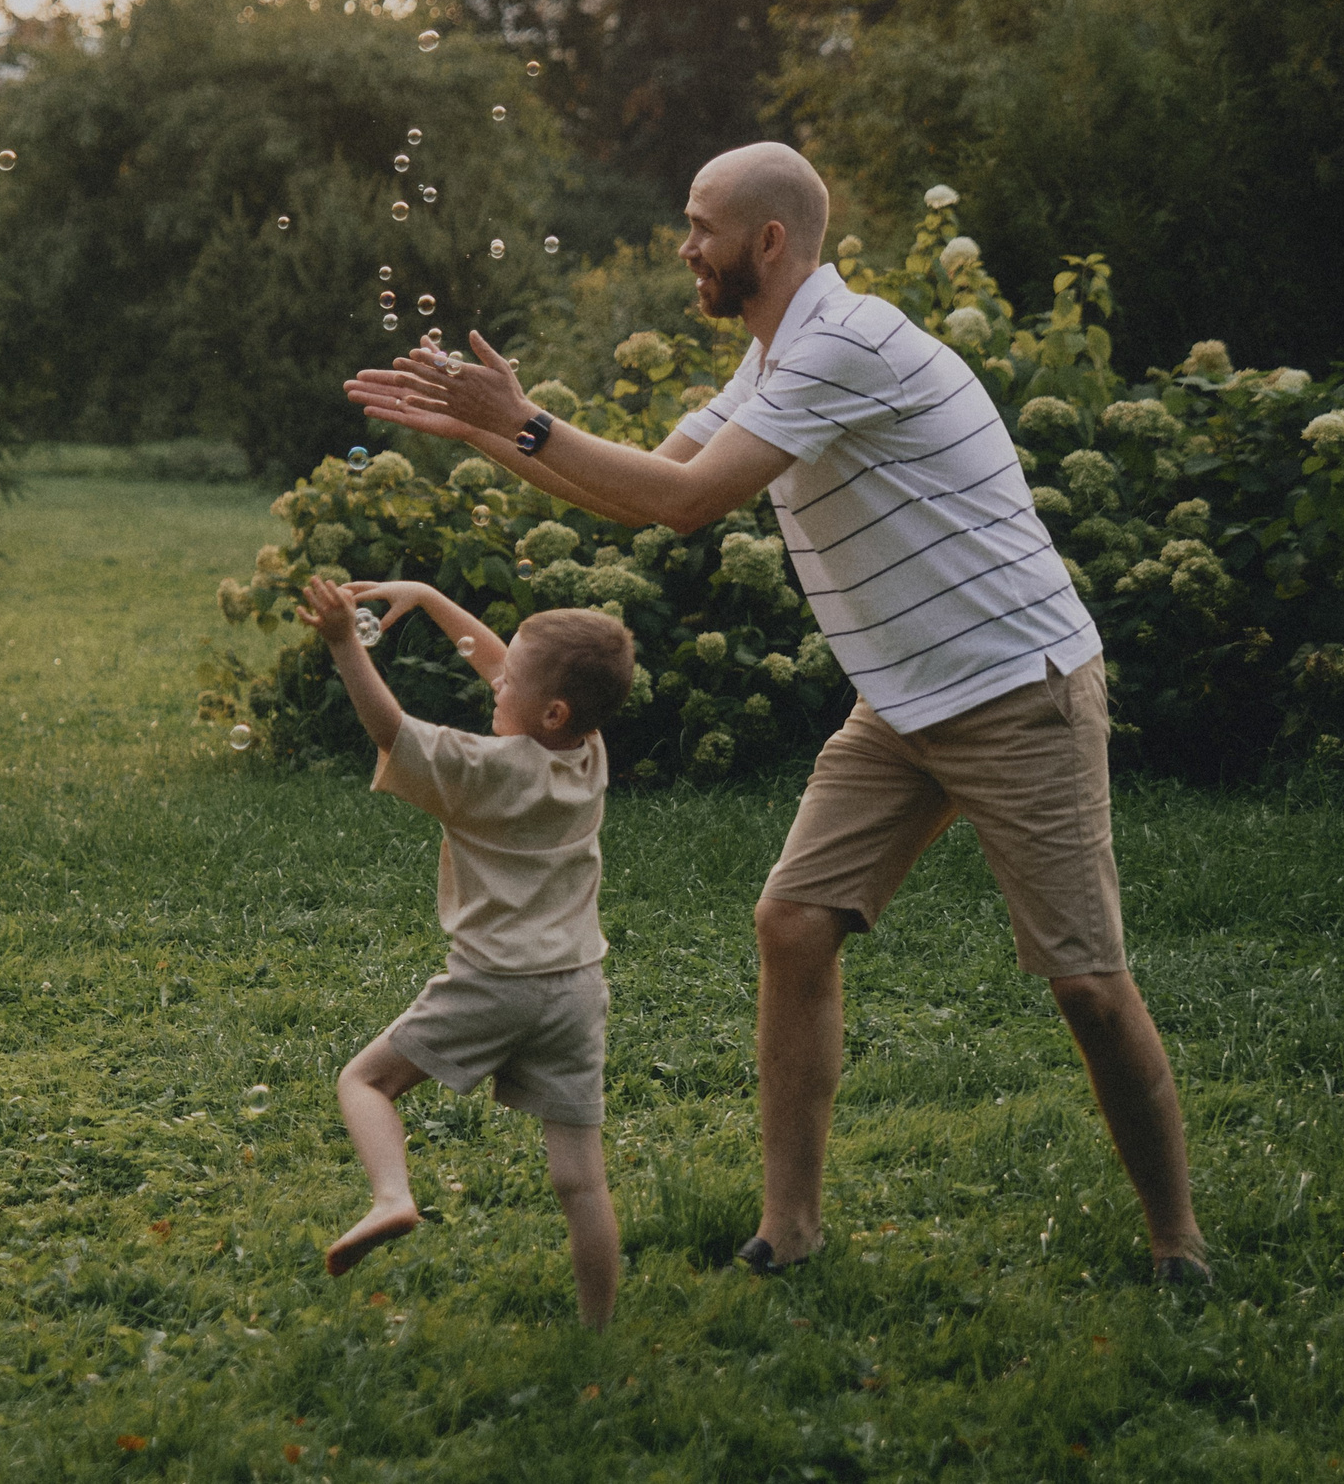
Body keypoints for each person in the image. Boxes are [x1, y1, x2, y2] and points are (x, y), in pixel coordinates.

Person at [345, 142, 1210, 1282]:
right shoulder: (775, 360)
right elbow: (645, 493)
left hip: (1014, 688)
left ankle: (1176, 1243)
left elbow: (692, 502)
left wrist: (529, 422)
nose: (685, 248)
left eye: (700, 227)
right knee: (793, 924)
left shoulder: (845, 344)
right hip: (902, 699)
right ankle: (788, 1232)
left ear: (767, 242)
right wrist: (488, 432)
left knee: (1087, 983)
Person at [290, 575, 633, 1331]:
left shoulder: (482, 769)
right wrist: (431, 598)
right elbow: (507, 663)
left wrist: (347, 642)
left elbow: (390, 727)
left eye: (511, 677)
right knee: (581, 1178)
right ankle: (598, 1331)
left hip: (492, 984)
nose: (496, 673)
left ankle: (391, 1196)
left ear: (550, 709)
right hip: (576, 990)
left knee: (365, 1080)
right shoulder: (589, 754)